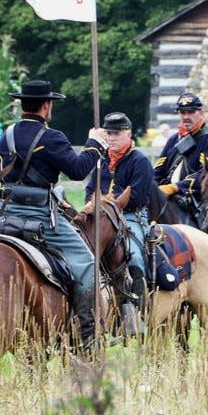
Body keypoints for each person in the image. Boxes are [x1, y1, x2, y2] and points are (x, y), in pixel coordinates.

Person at [0, 79, 107, 348]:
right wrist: (95, 144)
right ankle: (86, 338)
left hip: (3, 212)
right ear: (46, 106)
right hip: (39, 215)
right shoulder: (51, 137)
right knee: (88, 266)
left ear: (23, 104)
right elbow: (79, 170)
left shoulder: (5, 136)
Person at [85, 112, 153, 333]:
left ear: (129, 134)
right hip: (100, 218)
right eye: (109, 133)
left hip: (131, 217)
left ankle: (136, 314)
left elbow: (137, 197)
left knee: (133, 256)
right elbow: (89, 191)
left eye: (117, 133)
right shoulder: (100, 160)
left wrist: (106, 204)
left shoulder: (140, 161)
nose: (112, 138)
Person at [154, 92, 208, 227]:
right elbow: (158, 171)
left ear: (201, 113)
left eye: (191, 112)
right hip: (165, 197)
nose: (186, 117)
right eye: (183, 112)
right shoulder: (174, 139)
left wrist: (176, 187)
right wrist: (152, 189)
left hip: (194, 202)